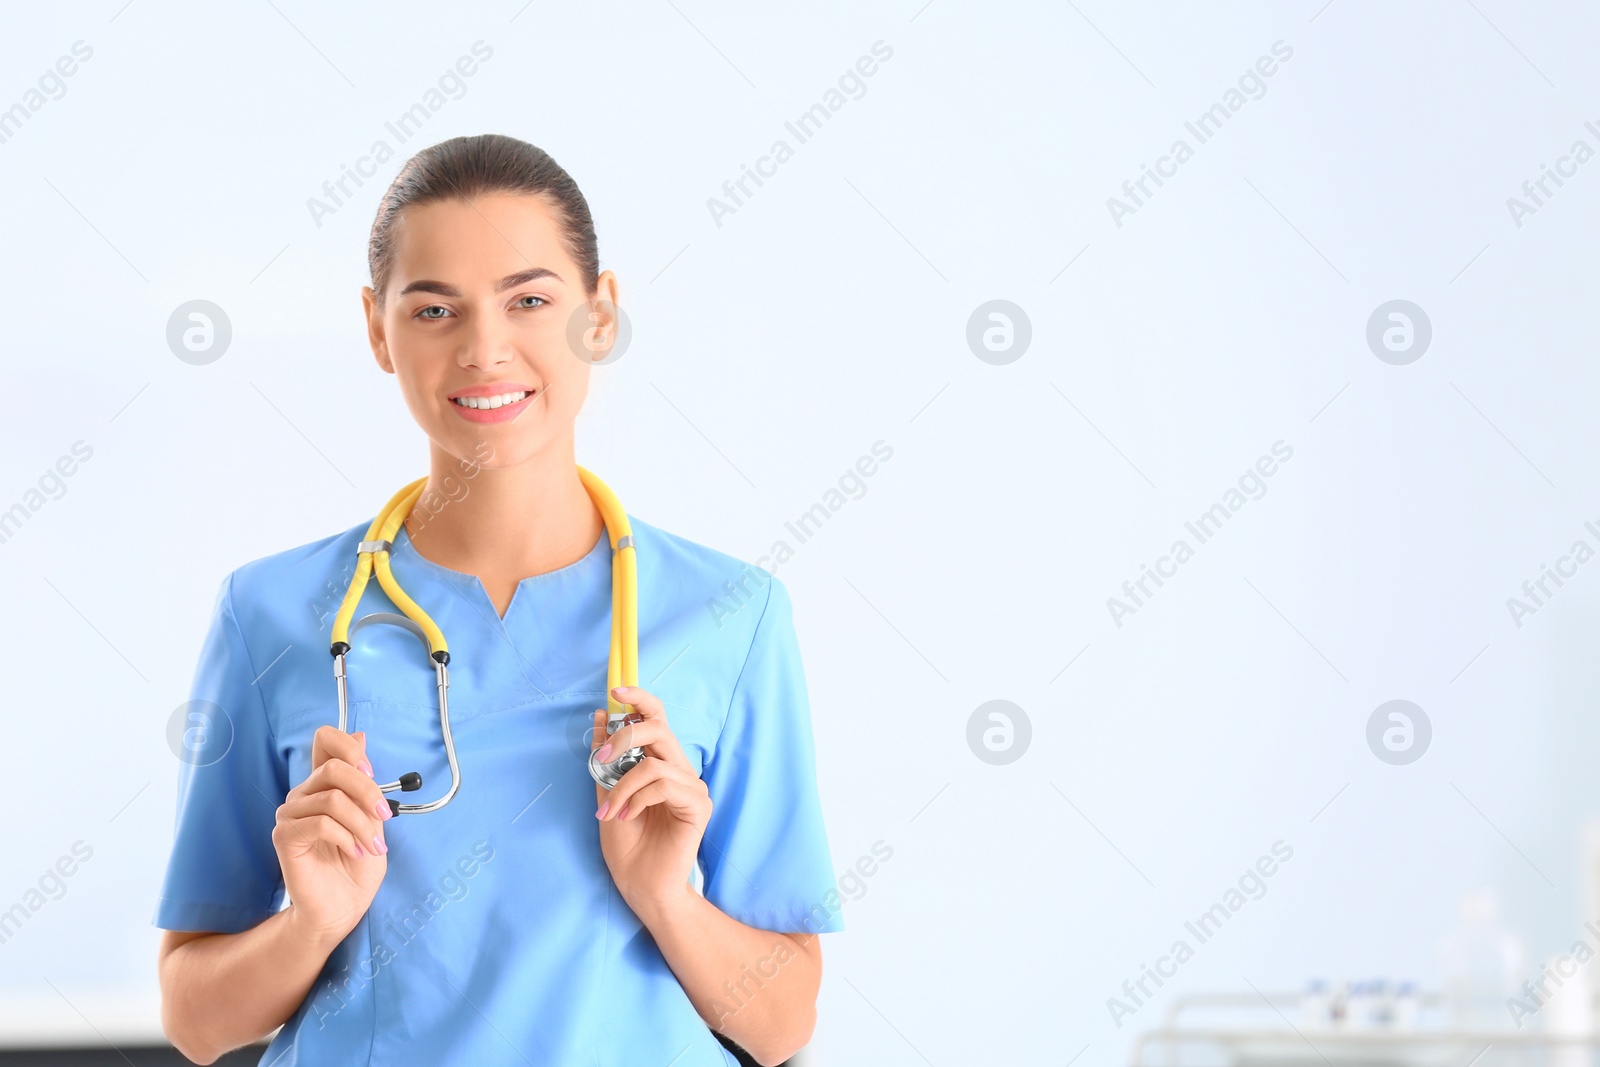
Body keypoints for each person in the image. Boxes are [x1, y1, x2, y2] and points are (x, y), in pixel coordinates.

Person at [153, 133, 842, 1067]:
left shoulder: (733, 614)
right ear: (376, 329)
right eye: (435, 308)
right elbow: (196, 1019)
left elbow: (782, 1023)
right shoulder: (270, 613)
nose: (485, 348)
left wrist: (668, 898)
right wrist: (309, 925)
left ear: (600, 315)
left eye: (530, 300)